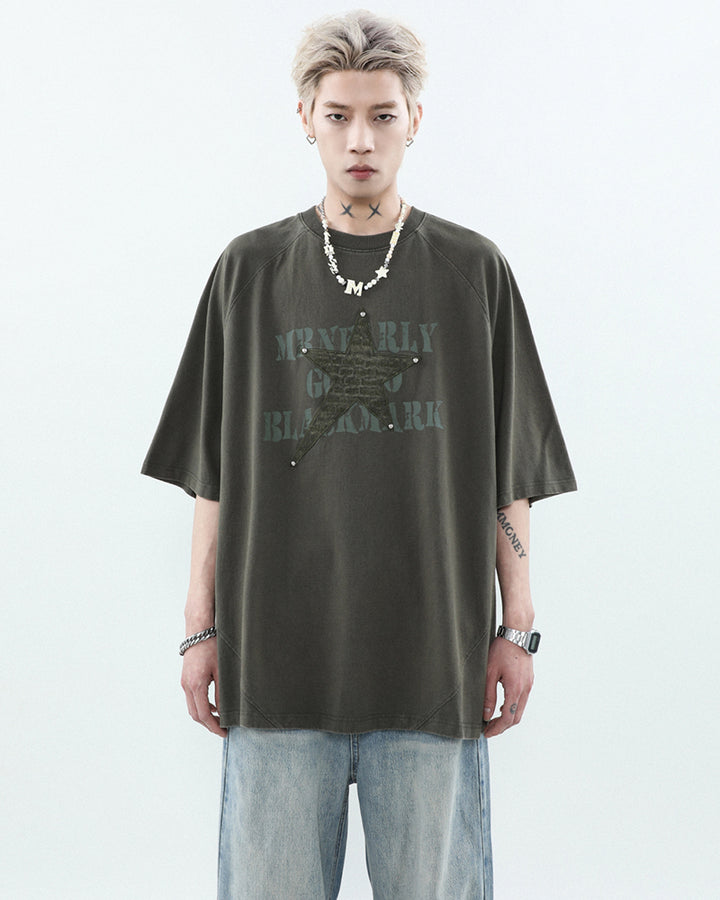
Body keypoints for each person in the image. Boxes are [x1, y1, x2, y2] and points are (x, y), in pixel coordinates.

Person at [142, 10, 577, 898]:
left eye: (382, 115)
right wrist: (199, 628)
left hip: (433, 666)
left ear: (416, 118)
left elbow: (513, 475)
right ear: (305, 117)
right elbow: (210, 475)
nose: (361, 139)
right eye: (339, 115)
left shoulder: (472, 272)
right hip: (275, 665)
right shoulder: (249, 272)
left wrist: (516, 628)